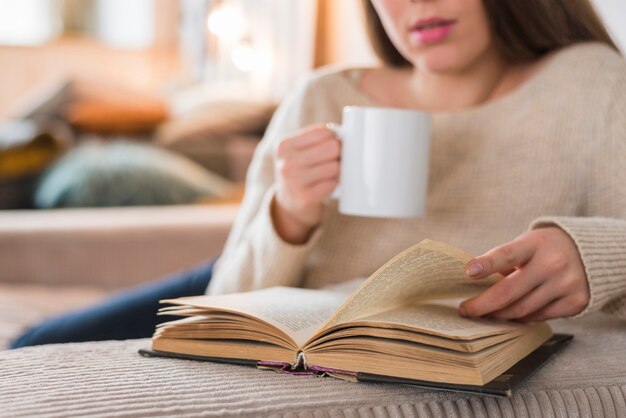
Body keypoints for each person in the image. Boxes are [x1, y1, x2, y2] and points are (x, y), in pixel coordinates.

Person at [10, 0, 626, 348]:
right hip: (291, 285)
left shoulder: (590, 84)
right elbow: (224, 301)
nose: (415, 4)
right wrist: (290, 214)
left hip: (430, 331)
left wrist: (597, 254)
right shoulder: (322, 98)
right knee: (34, 346)